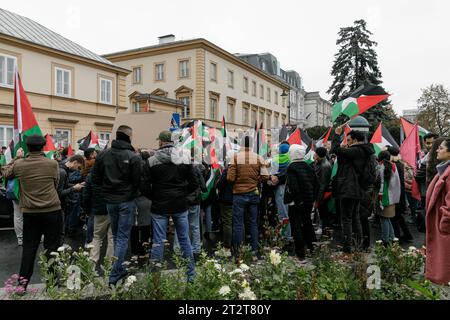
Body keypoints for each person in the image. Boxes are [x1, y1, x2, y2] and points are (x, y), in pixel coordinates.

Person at [1, 135, 62, 289]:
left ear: (27, 147)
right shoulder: (52, 163)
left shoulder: (20, 164)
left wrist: (16, 158)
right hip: (52, 210)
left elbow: (5, 173)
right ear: (43, 147)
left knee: (29, 248)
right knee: (52, 248)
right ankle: (52, 283)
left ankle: (22, 285)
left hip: (31, 212)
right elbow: (56, 183)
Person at [92, 125, 141, 286]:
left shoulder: (103, 155)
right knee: (121, 237)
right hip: (126, 200)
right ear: (129, 137)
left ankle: (117, 269)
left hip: (110, 201)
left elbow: (95, 180)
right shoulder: (133, 156)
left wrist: (108, 188)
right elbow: (137, 181)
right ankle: (115, 273)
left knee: (116, 235)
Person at [147, 130, 198, 281]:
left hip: (159, 205)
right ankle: (191, 276)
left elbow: (143, 184)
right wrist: (182, 193)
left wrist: (154, 196)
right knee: (184, 239)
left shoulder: (151, 160)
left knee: (158, 241)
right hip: (180, 204)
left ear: (161, 142)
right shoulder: (184, 158)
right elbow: (194, 183)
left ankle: (155, 280)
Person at [331, 128, 375, 254]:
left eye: (349, 140)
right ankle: (357, 245)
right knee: (355, 217)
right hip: (356, 188)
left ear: (355, 140)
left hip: (349, 188)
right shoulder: (364, 151)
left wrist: (336, 134)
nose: (347, 143)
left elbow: (335, 150)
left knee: (346, 219)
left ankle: (348, 249)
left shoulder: (356, 150)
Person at [227, 135, 269, 256]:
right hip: (253, 193)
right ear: (251, 145)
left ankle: (239, 251)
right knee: (253, 223)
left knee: (238, 224)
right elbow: (266, 176)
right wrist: (257, 180)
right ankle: (255, 250)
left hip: (239, 194)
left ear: (241, 144)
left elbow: (230, 178)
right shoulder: (258, 157)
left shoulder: (235, 157)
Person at [285, 144, 318, 261]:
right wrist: (312, 198)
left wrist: (298, 201)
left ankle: (300, 253)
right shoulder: (309, 167)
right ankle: (313, 248)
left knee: (296, 226)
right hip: (308, 201)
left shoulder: (291, 167)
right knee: (308, 224)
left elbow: (293, 186)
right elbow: (316, 184)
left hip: (296, 202)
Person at [425, 138, 450, 285]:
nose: (436, 150)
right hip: (440, 227)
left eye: (440, 148)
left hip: (444, 230)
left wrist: (444, 225)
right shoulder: (443, 169)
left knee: (444, 266)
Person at [83, 166, 113, 265]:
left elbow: (86, 195)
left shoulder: (91, 176)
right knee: (112, 237)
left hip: (99, 210)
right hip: (113, 208)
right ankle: (109, 264)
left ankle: (93, 261)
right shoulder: (114, 174)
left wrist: (87, 210)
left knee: (97, 237)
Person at [386, 146, 413, 243]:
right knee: (398, 216)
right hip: (400, 193)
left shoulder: (394, 165)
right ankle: (407, 235)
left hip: (395, 194)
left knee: (394, 216)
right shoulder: (400, 164)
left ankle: (396, 237)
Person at [377, 151, 401, 245]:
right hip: (393, 196)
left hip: (385, 197)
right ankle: (392, 237)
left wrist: (380, 198)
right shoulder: (393, 166)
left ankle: (385, 240)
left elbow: (382, 185)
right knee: (387, 219)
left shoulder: (382, 167)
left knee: (383, 219)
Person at [270, 141, 292, 241]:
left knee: (282, 213)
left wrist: (273, 179)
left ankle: (285, 236)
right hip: (290, 188)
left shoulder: (275, 160)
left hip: (279, 188)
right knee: (288, 213)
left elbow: (272, 175)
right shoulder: (291, 159)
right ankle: (287, 234)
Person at [314, 147, 332, 232]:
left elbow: (323, 183)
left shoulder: (324, 165)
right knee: (321, 210)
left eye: (315, 153)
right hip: (320, 191)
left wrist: (319, 198)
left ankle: (323, 227)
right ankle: (322, 227)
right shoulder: (319, 163)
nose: (314, 155)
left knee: (323, 210)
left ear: (318, 155)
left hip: (323, 192)